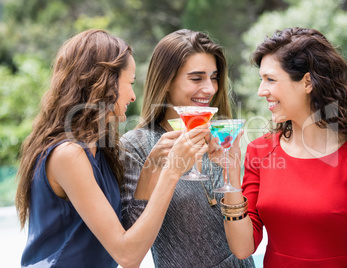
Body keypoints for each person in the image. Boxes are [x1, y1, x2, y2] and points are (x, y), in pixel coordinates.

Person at [15, 29, 210, 268]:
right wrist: (171, 172)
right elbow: (128, 256)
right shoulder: (68, 155)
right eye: (129, 83)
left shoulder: (101, 151)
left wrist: (152, 168)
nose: (132, 96)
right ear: (104, 83)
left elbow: (128, 233)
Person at [221, 27, 347, 267]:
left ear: (307, 82)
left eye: (270, 79)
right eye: (261, 80)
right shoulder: (260, 150)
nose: (261, 91)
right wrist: (230, 171)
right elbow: (243, 247)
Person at [120, 29, 255, 267]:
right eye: (196, 78)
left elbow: (243, 244)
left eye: (214, 77)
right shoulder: (137, 145)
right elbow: (131, 238)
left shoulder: (220, 137)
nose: (210, 89)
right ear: (166, 82)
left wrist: (231, 174)